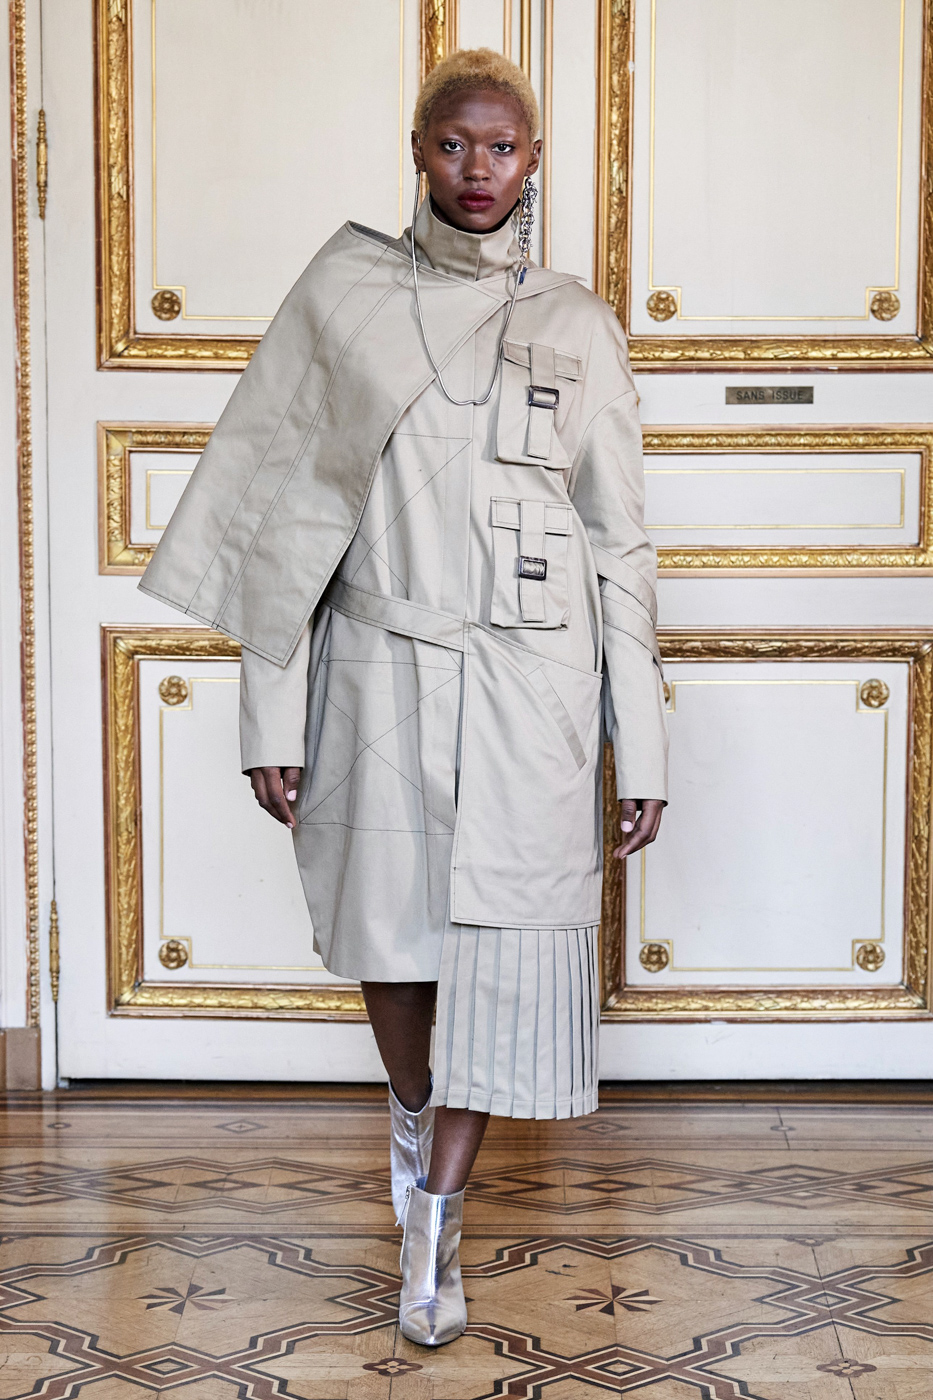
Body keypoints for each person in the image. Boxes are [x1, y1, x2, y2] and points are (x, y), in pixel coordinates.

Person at [139, 47, 667, 1348]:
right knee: (393, 945)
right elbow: (279, 523)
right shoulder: (345, 298)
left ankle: (433, 1221)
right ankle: (415, 1113)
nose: (478, 169)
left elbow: (619, 544)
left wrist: (640, 740)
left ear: (532, 161)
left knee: (498, 948)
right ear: (419, 152)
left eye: (503, 146)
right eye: (454, 144)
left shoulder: (580, 325)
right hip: (374, 670)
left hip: (534, 690)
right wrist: (270, 714)